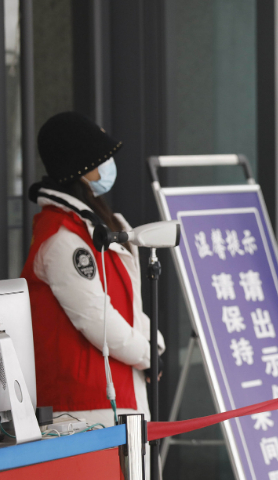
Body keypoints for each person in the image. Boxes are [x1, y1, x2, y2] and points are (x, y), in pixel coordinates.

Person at [20, 112, 164, 435]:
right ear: (81, 169)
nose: (110, 165)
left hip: (112, 399)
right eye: (103, 159)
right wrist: (147, 353)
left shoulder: (91, 227)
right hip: (84, 411)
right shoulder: (62, 239)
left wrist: (156, 345)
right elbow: (97, 319)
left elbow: (128, 304)